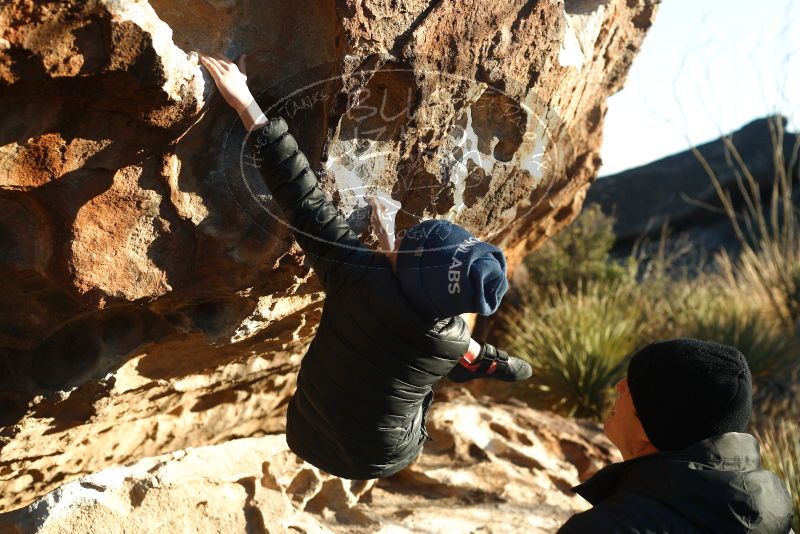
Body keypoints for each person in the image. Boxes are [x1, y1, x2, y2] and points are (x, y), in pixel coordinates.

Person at [199, 52, 532, 480]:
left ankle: (477, 364)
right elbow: (416, 291)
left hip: (306, 432)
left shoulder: (355, 275)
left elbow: (299, 192)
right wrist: (508, 365)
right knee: (460, 356)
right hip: (386, 457)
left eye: (410, 249)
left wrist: (243, 99)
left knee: (455, 354)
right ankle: (473, 367)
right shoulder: (451, 337)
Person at [559, 338, 794, 534]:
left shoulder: (605, 528)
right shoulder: (773, 518)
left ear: (650, 426)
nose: (619, 386)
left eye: (635, 385)